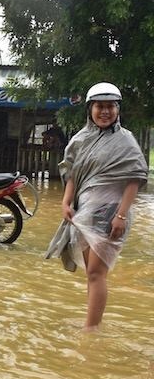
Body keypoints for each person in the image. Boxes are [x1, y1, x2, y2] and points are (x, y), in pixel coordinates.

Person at [46, 82, 148, 332]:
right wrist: (65, 202)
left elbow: (134, 179)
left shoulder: (126, 141)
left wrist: (121, 215)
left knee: (96, 273)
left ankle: (91, 331)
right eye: (100, 106)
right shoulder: (80, 140)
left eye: (110, 106)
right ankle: (93, 325)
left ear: (117, 109)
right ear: (90, 109)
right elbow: (71, 172)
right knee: (91, 274)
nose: (105, 112)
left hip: (111, 214)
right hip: (84, 213)